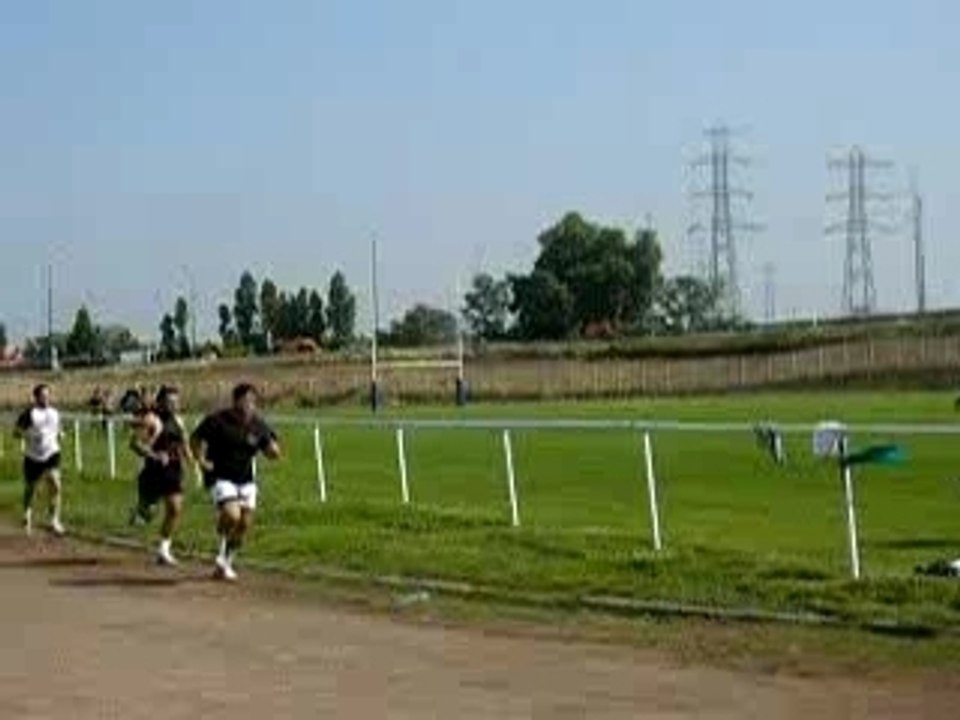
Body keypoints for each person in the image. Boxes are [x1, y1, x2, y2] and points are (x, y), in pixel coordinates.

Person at [190, 382, 280, 581]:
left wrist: (273, 451)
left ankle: (226, 562)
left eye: (253, 401)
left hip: (246, 479)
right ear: (236, 400)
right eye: (246, 400)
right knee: (232, 515)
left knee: (244, 524)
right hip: (220, 476)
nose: (250, 404)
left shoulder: (258, 424)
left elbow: (270, 447)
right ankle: (221, 543)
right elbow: (196, 438)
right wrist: (201, 460)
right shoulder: (217, 420)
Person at [128, 385, 192, 566]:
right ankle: (139, 512)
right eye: (170, 402)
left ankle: (164, 549)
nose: (174, 405)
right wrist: (155, 455)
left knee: (175, 508)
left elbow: (183, 442)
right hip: (152, 473)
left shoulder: (178, 421)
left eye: (176, 401)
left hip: (173, 470)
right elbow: (134, 444)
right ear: (161, 402)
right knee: (147, 515)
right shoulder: (151, 420)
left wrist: (191, 461)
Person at [13, 384, 65, 536]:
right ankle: (27, 512)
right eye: (43, 396)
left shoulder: (55, 412)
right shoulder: (29, 414)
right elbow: (16, 432)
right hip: (33, 456)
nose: (46, 398)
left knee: (55, 484)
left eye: (48, 395)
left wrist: (61, 433)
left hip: (52, 453)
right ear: (36, 397)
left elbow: (59, 428)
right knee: (30, 487)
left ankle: (54, 520)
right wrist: (30, 436)